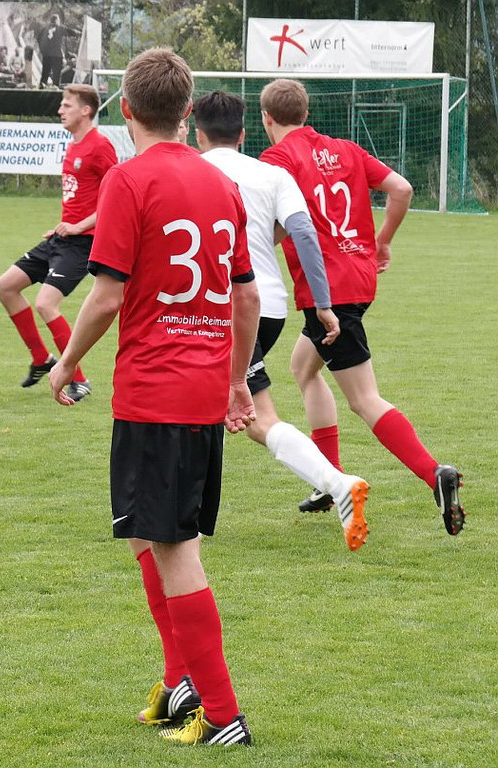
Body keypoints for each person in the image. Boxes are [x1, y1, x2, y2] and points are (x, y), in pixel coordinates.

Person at [50, 48, 257, 747]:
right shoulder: (218, 181)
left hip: (155, 386)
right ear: (188, 112)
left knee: (172, 546)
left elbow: (105, 295)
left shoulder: (128, 180)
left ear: (126, 111)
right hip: (198, 383)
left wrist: (65, 361)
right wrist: (233, 380)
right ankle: (179, 684)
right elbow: (245, 295)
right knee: (146, 531)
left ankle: (224, 715)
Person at [258, 78, 464, 535]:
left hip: (326, 291)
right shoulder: (346, 149)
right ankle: (327, 480)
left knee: (363, 398)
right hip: (359, 276)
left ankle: (434, 472)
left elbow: (273, 227)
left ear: (266, 118)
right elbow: (403, 189)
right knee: (303, 368)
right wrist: (382, 242)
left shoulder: (276, 160)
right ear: (306, 113)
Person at [194, 89, 370, 551]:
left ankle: (336, 484)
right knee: (213, 400)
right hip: (267, 306)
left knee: (251, 414)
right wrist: (324, 304)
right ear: (245, 133)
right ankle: (189, 507)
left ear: (197, 132)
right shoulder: (271, 173)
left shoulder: (193, 170)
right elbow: (304, 235)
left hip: (219, 305)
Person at [0, 83, 117, 402]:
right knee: (5, 287)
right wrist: (64, 226)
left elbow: (113, 200)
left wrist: (78, 227)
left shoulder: (100, 146)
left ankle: (79, 378)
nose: (60, 110)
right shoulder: (74, 144)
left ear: (86, 110)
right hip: (61, 238)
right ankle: (41, 359)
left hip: (83, 243)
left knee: (46, 303)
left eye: (67, 105)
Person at [37, 14, 65, 88]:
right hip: (56, 55)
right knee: (56, 74)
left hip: (47, 54)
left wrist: (42, 49)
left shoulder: (44, 29)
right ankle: (55, 86)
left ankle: (42, 86)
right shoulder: (60, 28)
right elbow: (71, 32)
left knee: (45, 73)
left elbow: (38, 38)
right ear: (57, 21)